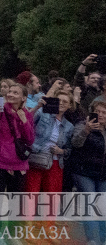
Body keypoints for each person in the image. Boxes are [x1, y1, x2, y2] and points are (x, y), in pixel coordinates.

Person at [0, 83, 34, 192]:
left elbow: (29, 140)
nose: (11, 94)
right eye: (10, 92)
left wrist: (24, 121)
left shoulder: (26, 114)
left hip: (18, 163)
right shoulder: (0, 110)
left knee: (15, 202)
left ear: (24, 98)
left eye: (15, 93)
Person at [71, 100, 106, 245]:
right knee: (90, 204)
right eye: (98, 112)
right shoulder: (81, 125)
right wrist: (86, 130)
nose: (101, 115)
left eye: (104, 113)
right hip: (83, 171)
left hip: (103, 173)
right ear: (92, 112)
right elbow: (75, 143)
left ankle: (103, 239)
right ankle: (93, 240)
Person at [25, 90, 74, 193]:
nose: (61, 103)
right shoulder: (42, 113)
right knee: (31, 192)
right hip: (36, 157)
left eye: (65, 102)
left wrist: (61, 151)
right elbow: (26, 124)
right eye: (58, 100)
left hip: (55, 162)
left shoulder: (70, 126)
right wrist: (37, 107)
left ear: (70, 105)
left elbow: (69, 149)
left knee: (52, 195)